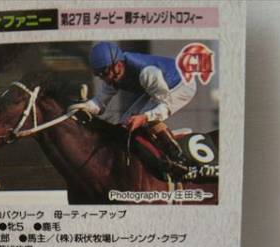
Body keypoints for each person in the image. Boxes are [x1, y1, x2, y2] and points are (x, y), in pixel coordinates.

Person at [69, 41, 196, 170]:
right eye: (99, 74)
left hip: (181, 84)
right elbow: (99, 103)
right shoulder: (113, 73)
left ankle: (179, 157)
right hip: (158, 89)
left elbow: (164, 106)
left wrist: (144, 117)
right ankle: (163, 140)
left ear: (118, 65)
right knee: (125, 123)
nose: (104, 79)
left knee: (145, 120)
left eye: (105, 73)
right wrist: (84, 107)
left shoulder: (147, 73)